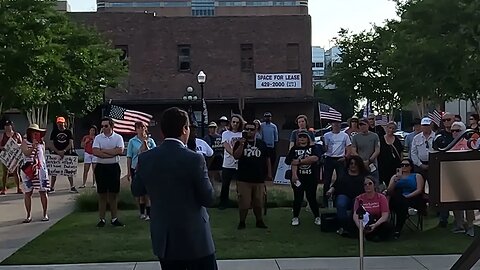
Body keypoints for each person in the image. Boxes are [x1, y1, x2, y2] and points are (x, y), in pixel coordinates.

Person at [132, 107, 217, 270]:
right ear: (184, 129)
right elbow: (208, 198)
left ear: (163, 131)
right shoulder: (195, 159)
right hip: (195, 238)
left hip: (165, 238)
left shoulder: (146, 158)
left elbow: (137, 190)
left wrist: (140, 166)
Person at [233, 121, 271, 230]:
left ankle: (259, 221)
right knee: (244, 202)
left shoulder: (261, 143)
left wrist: (269, 173)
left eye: (252, 129)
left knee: (259, 202)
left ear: (256, 131)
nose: (249, 131)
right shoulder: (239, 142)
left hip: (258, 178)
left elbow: (267, 159)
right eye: (247, 129)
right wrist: (241, 144)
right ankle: (242, 222)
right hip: (243, 178)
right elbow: (236, 156)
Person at [92, 117, 125, 227]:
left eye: (106, 126)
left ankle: (114, 219)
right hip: (101, 167)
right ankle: (102, 219)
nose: (104, 128)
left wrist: (104, 151)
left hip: (113, 167)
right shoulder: (98, 138)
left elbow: (120, 151)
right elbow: (96, 152)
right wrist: (111, 152)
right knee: (102, 194)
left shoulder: (118, 137)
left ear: (111, 126)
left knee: (113, 194)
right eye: (102, 126)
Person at [285, 130, 321, 226]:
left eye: (304, 137)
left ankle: (317, 217)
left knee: (311, 197)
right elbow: (289, 161)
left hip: (311, 177)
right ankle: (295, 217)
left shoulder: (314, 148)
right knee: (298, 198)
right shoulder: (294, 149)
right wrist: (294, 175)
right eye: (300, 137)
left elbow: (315, 158)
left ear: (308, 138)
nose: (302, 139)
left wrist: (300, 161)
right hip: (298, 178)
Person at [326, 155, 367, 236]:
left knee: (357, 203)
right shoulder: (343, 174)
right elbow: (336, 184)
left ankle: (354, 226)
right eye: (351, 163)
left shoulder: (364, 175)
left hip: (359, 197)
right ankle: (343, 226)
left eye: (355, 164)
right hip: (344, 195)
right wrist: (330, 191)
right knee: (341, 203)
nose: (353, 165)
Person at [386, 158, 425, 238]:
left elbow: (419, 190)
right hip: (397, 200)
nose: (404, 167)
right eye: (402, 165)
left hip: (412, 198)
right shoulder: (395, 177)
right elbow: (389, 191)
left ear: (411, 167)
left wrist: (407, 196)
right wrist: (396, 180)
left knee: (401, 204)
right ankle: (397, 230)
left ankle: (397, 229)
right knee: (399, 199)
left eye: (406, 165)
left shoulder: (417, 176)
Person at [449, 121, 475, 237]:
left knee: (468, 205)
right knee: (455, 204)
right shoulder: (450, 145)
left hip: (468, 179)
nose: (454, 133)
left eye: (457, 130)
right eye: (452, 131)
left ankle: (470, 226)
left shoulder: (469, 144)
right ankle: (459, 225)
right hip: (454, 179)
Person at [20, 124, 49, 223]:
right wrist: (33, 147)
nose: (34, 134)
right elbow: (26, 153)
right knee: (28, 192)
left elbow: (42, 157)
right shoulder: (25, 142)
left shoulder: (42, 143)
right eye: (32, 131)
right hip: (28, 169)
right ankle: (28, 215)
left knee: (43, 191)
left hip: (40, 170)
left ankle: (45, 213)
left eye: (37, 132)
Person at [127, 121, 156, 221]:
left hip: (148, 167)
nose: (141, 129)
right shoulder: (132, 141)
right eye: (138, 127)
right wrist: (128, 171)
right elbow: (129, 156)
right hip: (136, 167)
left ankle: (149, 213)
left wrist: (145, 142)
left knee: (148, 192)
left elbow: (152, 153)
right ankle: (142, 212)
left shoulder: (150, 140)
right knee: (140, 192)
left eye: (142, 127)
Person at [353, 176, 394, 242]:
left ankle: (374, 236)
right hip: (363, 222)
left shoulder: (381, 197)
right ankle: (364, 234)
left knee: (387, 226)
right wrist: (360, 227)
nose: (367, 186)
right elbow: (355, 215)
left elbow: (385, 215)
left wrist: (375, 225)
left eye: (370, 183)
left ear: (374, 185)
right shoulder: (359, 198)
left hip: (377, 222)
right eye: (365, 184)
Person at [322, 120, 352, 205]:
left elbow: (349, 148)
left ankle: (337, 198)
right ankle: (325, 201)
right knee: (327, 180)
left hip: (340, 159)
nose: (336, 125)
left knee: (341, 179)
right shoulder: (327, 135)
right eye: (334, 124)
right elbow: (325, 149)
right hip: (329, 158)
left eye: (338, 124)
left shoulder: (345, 135)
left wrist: (345, 157)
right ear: (331, 125)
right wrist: (324, 143)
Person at [218, 114, 244, 209]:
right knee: (225, 185)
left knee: (241, 185)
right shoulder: (226, 134)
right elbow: (226, 146)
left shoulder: (242, 134)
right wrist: (235, 154)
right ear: (230, 123)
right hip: (228, 163)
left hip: (240, 164)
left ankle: (242, 202)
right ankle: (223, 203)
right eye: (233, 122)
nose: (235, 124)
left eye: (237, 122)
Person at [49, 116, 78, 193]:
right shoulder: (54, 132)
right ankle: (52, 187)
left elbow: (70, 143)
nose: (60, 124)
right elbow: (51, 143)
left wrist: (64, 151)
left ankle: (72, 186)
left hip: (67, 153)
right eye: (58, 123)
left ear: (64, 123)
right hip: (56, 153)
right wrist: (58, 151)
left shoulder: (68, 132)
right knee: (54, 171)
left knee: (68, 171)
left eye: (61, 123)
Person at [351, 118, 380, 185]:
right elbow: (353, 150)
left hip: (372, 165)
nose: (362, 126)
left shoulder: (375, 136)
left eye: (364, 124)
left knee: (374, 183)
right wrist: (361, 161)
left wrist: (369, 160)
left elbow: (377, 150)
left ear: (368, 125)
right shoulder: (355, 137)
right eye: (360, 125)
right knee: (360, 184)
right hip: (360, 165)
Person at [0, 120, 23, 194]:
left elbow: (22, 144)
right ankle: (3, 189)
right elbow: (0, 146)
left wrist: (16, 146)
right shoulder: (2, 135)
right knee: (5, 173)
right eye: (6, 126)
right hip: (6, 157)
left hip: (14, 157)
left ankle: (19, 188)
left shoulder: (17, 135)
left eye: (8, 125)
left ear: (11, 126)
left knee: (15, 172)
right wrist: (3, 147)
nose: (7, 127)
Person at [378, 121, 403, 186]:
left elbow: (401, 153)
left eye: (393, 128)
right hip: (383, 166)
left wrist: (401, 165)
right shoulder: (380, 139)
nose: (391, 130)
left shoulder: (397, 140)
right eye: (390, 128)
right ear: (386, 128)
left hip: (395, 166)